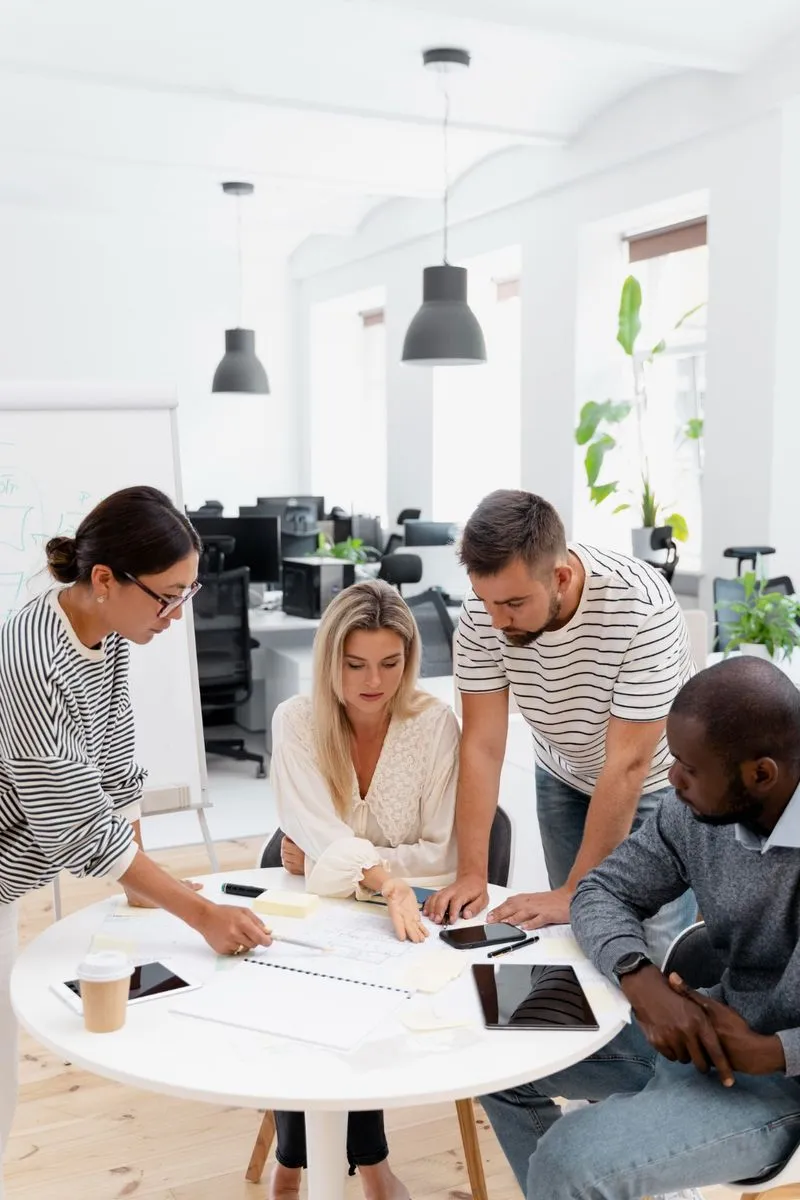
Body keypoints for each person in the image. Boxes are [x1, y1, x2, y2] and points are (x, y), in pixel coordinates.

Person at [0, 486, 271, 1197]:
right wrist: (196, 910)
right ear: (103, 580)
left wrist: (143, 893)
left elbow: (117, 768)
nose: (177, 616)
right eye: (166, 597)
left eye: (188, 594)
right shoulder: (30, 659)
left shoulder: (110, 635)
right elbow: (77, 826)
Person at [481, 656, 800, 1199]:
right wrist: (642, 981)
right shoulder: (694, 812)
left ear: (761, 774)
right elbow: (600, 891)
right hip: (700, 1035)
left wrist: (774, 1052)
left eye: (689, 768)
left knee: (569, 1161)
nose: (671, 780)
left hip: (781, 1089)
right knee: (495, 1038)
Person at [426, 489, 695, 962]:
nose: (496, 619)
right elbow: (482, 746)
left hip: (655, 784)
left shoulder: (642, 609)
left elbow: (628, 764)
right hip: (563, 772)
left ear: (561, 578)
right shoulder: (482, 614)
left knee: (651, 951)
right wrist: (471, 872)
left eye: (512, 603)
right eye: (485, 600)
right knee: (580, 939)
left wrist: (575, 889)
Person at [268, 579, 459, 1200]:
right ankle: (352, 1165)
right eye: (354, 665)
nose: (372, 681)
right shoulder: (296, 721)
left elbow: (442, 855)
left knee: (363, 995)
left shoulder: (433, 725)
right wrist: (381, 879)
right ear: (330, 661)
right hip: (327, 912)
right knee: (301, 993)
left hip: (401, 918)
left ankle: (297, 1168)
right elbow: (316, 834)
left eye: (390, 662)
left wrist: (331, 862)